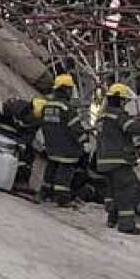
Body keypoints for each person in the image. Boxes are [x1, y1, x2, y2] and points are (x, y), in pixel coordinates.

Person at [95, 83, 140, 235]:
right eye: (124, 100)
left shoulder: (102, 117)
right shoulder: (119, 115)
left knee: (113, 191)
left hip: (104, 161)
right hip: (119, 160)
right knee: (126, 192)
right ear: (120, 100)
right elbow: (131, 128)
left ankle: (112, 219)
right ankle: (126, 225)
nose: (125, 103)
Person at [39, 74, 88, 206]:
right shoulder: (67, 108)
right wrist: (84, 141)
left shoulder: (47, 105)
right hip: (67, 147)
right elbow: (75, 128)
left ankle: (45, 192)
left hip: (51, 145)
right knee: (65, 170)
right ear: (66, 89)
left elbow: (44, 125)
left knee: (51, 167)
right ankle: (62, 197)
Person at [0, 97, 42, 190]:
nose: (33, 118)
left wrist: (23, 144)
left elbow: (30, 133)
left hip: (16, 134)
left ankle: (20, 180)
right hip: (2, 129)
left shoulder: (37, 120)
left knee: (27, 154)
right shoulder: (16, 106)